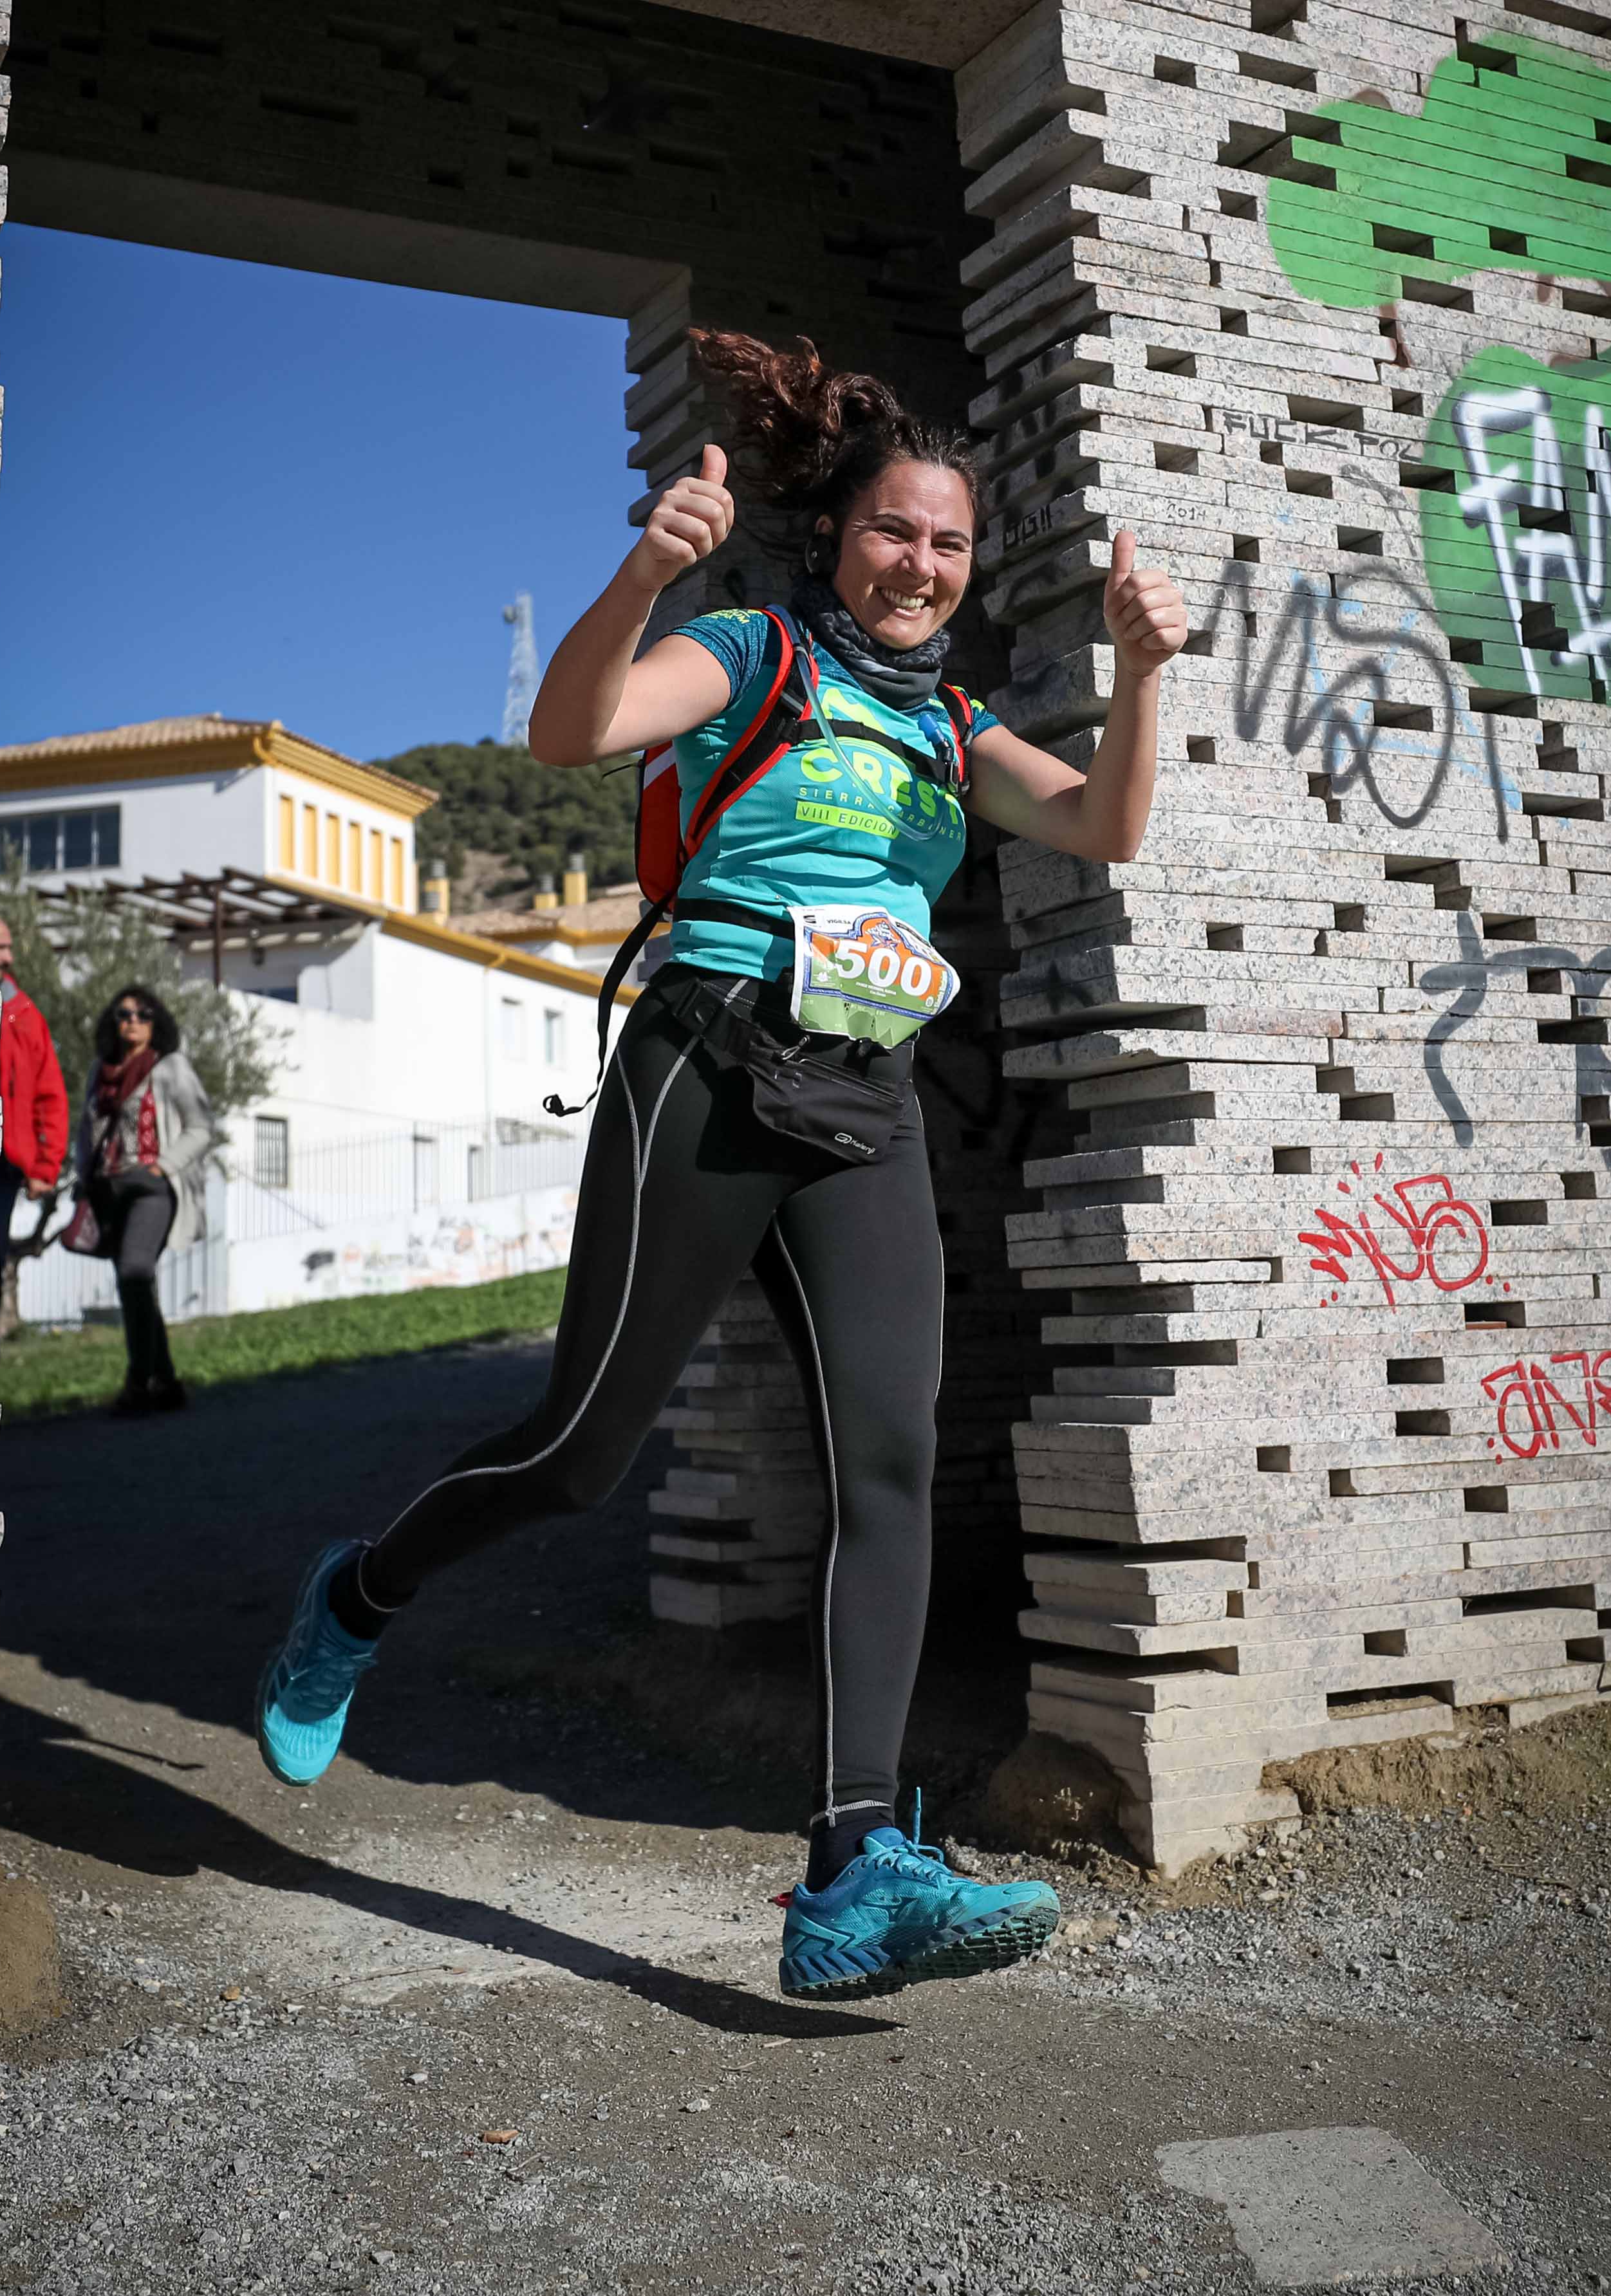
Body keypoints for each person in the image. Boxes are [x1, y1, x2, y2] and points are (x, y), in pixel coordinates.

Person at [256, 331, 1187, 2001]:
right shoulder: (751, 654)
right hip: (705, 1061)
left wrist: (1140, 676)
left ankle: (850, 1869)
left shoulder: (952, 728)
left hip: (866, 1096)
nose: (919, 562)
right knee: (579, 1451)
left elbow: (1105, 826)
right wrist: (643, 576)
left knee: (888, 1465)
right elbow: (572, 732)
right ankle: (359, 1591)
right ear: (836, 534)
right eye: (894, 528)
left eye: (949, 542)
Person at [73, 985, 216, 1419]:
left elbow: (201, 1127)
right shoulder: (102, 1069)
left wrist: (163, 1167)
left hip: (151, 1187)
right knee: (133, 1285)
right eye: (124, 1014)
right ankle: (166, 1382)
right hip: (107, 1188)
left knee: (136, 1271)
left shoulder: (171, 1067)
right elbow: (87, 1131)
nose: (133, 1021)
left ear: (157, 1023)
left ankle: (138, 1382)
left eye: (143, 1014)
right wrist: (83, 1177)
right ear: (113, 1022)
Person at [0, 910, 69, 1396]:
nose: (9, 957)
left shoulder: (22, 1012)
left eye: (8, 946)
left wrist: (45, 1165)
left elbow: (50, 1094)